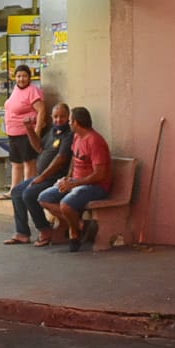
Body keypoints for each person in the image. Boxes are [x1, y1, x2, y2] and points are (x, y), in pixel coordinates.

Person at [38, 106, 112, 252]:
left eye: (70, 121)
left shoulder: (94, 141)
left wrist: (74, 184)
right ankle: (78, 223)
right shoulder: (77, 137)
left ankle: (74, 233)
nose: (69, 124)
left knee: (66, 205)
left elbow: (100, 174)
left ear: (77, 123)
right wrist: (69, 177)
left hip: (95, 185)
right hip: (76, 181)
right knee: (44, 198)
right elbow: (74, 159)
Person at [4, 102, 73, 247]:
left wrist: (42, 177)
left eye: (62, 117)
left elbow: (60, 160)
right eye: (55, 117)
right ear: (51, 117)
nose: (58, 120)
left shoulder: (69, 135)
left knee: (29, 194)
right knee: (17, 192)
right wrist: (29, 129)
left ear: (68, 117)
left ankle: (44, 229)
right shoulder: (52, 132)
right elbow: (39, 147)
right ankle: (22, 233)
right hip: (42, 176)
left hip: (54, 178)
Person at [2, 64, 46, 197]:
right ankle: (14, 191)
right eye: (19, 76)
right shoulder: (15, 90)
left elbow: (41, 111)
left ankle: (28, 191)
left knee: (29, 163)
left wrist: (36, 132)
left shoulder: (33, 91)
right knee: (16, 163)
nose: (21, 79)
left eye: (24, 76)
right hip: (13, 134)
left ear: (29, 77)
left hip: (26, 133)